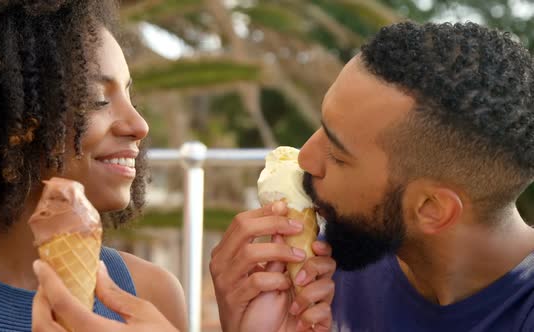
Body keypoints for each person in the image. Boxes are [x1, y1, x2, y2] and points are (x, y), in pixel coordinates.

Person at [211, 21, 534, 331]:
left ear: (431, 208)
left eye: (338, 155)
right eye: (322, 126)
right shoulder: (320, 276)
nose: (306, 157)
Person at [0, 1, 185, 331]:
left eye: (129, 95)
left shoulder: (153, 296)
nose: (139, 125)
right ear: (9, 120)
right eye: (97, 99)